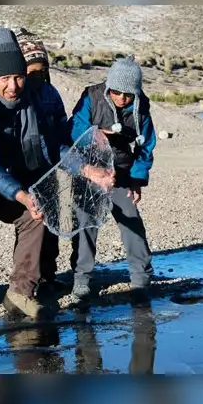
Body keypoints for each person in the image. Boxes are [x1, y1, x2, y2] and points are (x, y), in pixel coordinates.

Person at [0, 28, 114, 320]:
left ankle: (19, 293)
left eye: (18, 77)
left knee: (33, 216)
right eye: (5, 78)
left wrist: (87, 169)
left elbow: (48, 146)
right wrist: (20, 194)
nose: (13, 86)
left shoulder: (29, 98)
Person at [68, 56, 157, 301]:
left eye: (128, 94)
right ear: (109, 87)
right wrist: (95, 134)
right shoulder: (91, 96)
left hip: (122, 173)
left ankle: (141, 278)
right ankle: (82, 280)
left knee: (132, 222)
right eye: (116, 92)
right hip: (90, 172)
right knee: (86, 224)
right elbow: (73, 129)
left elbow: (146, 146)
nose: (121, 98)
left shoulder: (142, 107)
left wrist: (137, 180)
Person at [17, 34, 68, 292]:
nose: (37, 75)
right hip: (24, 170)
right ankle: (27, 281)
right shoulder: (16, 95)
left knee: (51, 224)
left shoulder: (51, 94)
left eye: (42, 70)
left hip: (51, 169)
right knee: (31, 225)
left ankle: (48, 275)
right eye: (31, 71)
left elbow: (62, 128)